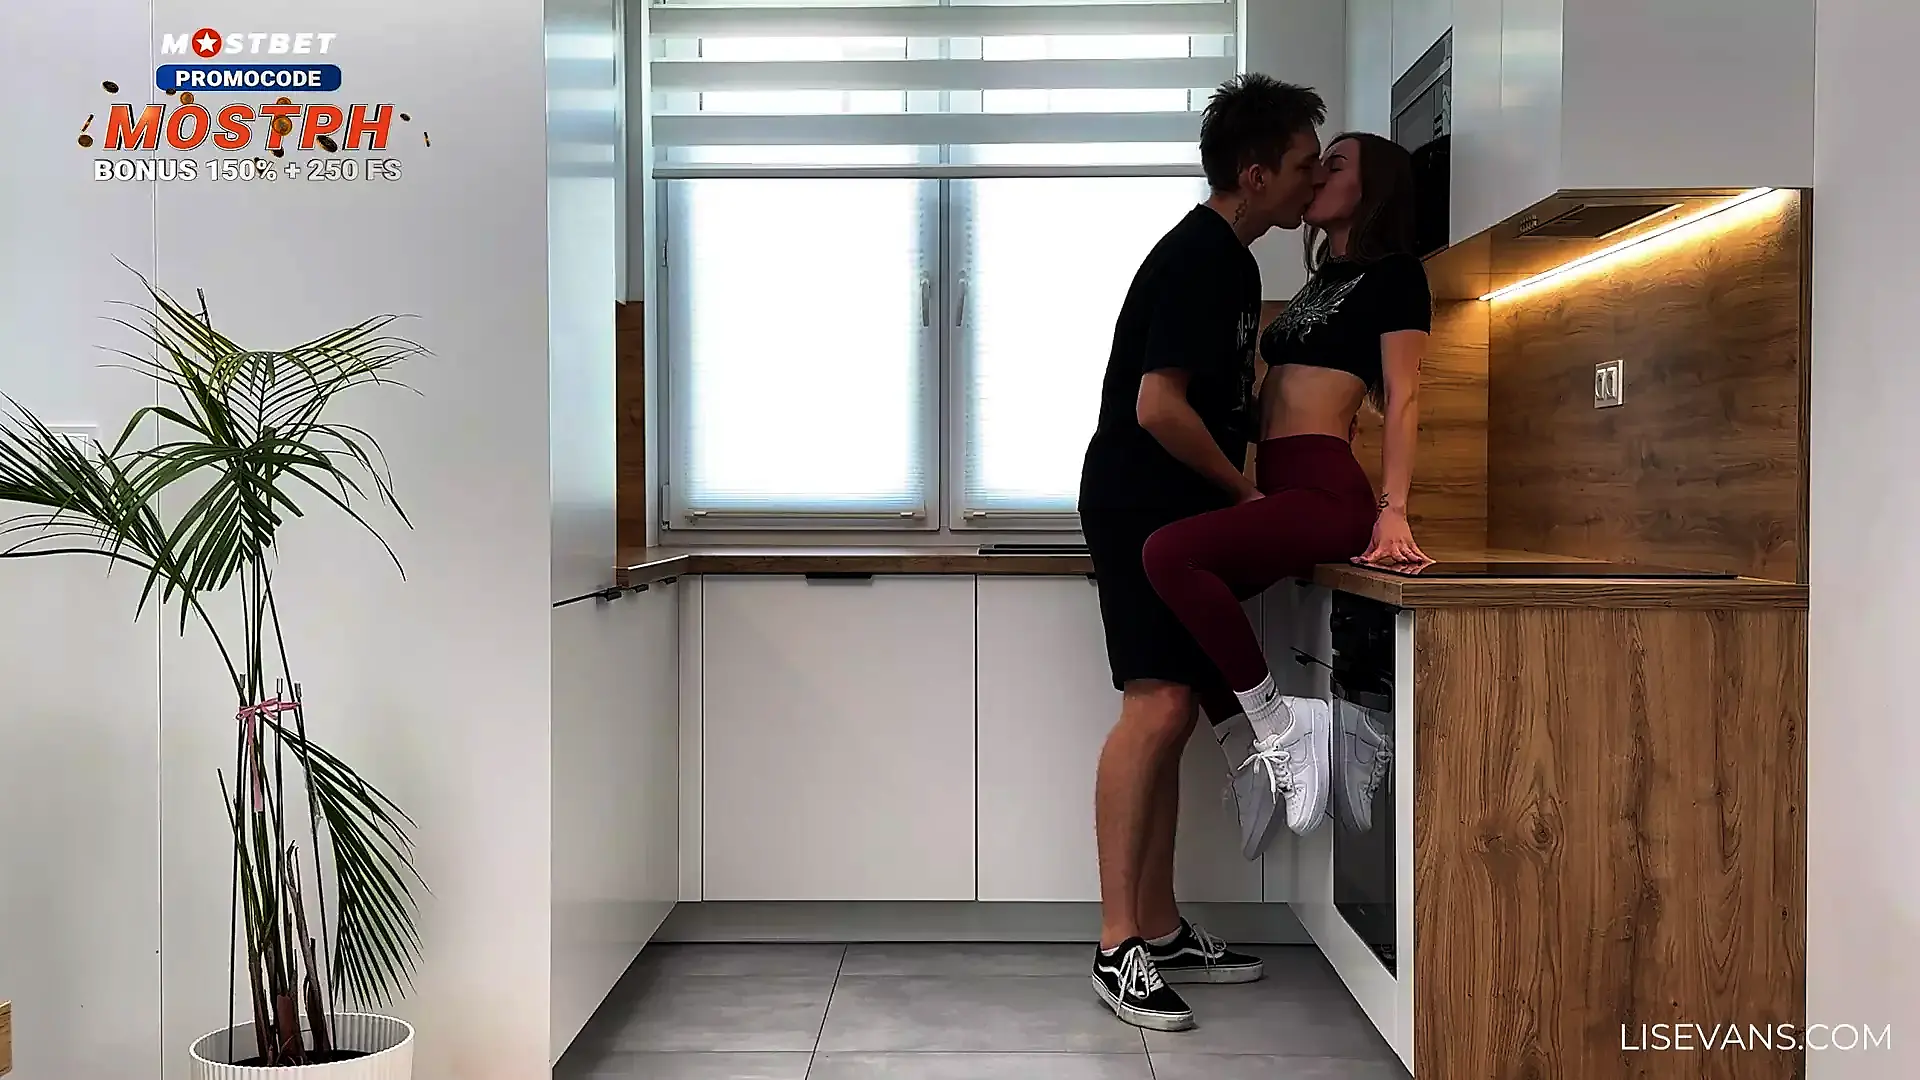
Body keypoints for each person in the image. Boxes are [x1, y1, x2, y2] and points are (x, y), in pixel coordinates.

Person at [1077, 73, 1327, 1033]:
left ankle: (1161, 926)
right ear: (1255, 174)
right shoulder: (1200, 259)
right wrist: (1245, 494)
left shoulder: (1235, 264)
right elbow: (1158, 408)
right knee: (1158, 705)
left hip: (1175, 510)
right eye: (1303, 166)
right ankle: (1117, 946)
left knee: (1175, 714)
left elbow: (1219, 402)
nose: (1312, 183)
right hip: (1143, 505)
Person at [1139, 131, 1432, 855]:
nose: (1318, 176)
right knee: (1174, 603)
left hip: (1326, 490)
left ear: (1373, 187)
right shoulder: (1320, 282)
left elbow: (1404, 396)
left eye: (1335, 165)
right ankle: (1257, 749)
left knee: (1169, 557)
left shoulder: (1397, 274)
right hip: (1278, 485)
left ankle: (1281, 727)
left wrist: (1394, 511)